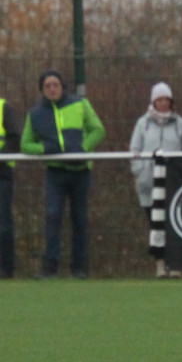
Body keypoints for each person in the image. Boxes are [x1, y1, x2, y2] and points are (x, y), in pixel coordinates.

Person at [20, 70, 106, 279]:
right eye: (47, 85)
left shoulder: (80, 104)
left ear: (62, 86)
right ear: (42, 90)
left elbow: (98, 130)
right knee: (52, 216)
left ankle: (80, 268)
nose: (52, 88)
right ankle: (50, 268)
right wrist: (44, 149)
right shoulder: (35, 114)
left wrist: (82, 149)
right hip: (55, 173)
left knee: (79, 218)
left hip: (81, 171)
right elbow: (25, 144)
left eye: (55, 84)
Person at [129, 82, 182, 277]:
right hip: (149, 185)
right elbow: (135, 150)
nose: (164, 103)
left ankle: (175, 265)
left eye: (167, 99)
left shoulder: (181, 124)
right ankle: (160, 264)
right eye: (160, 99)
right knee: (155, 225)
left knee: (174, 223)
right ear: (153, 101)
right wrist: (141, 173)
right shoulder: (142, 124)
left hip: (175, 184)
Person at [0, 93, 20, 278]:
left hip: (1, 174)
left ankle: (5, 269)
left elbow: (15, 139)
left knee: (3, 224)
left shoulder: (3, 108)